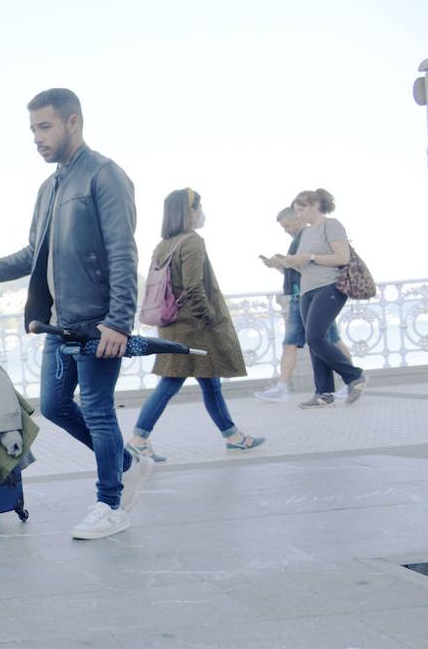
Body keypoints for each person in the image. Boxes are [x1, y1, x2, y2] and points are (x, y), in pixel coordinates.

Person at [0, 88, 151, 541]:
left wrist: (119, 321)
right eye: (33, 130)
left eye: (45, 127)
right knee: (55, 406)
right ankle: (126, 464)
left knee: (99, 412)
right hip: (58, 324)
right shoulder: (50, 188)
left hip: (99, 322)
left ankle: (110, 503)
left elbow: (123, 252)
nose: (37, 138)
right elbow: (32, 254)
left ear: (73, 122)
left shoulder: (105, 175)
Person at [127, 189, 264, 462]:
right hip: (194, 327)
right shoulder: (192, 241)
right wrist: (209, 316)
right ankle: (138, 439)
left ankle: (233, 436)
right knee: (171, 382)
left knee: (209, 382)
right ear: (188, 211)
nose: (201, 212)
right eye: (198, 207)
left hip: (172, 323)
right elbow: (193, 287)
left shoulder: (164, 244)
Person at [275, 189, 368, 408]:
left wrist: (311, 256)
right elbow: (305, 263)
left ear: (315, 205)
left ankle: (354, 376)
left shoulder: (331, 225)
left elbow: (342, 257)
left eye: (301, 209)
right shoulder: (305, 234)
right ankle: (324, 394)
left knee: (316, 337)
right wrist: (291, 262)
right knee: (314, 340)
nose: (297, 215)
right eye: (296, 210)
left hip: (329, 287)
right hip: (307, 290)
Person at [254, 206, 351, 402]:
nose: (286, 230)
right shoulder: (299, 241)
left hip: (312, 297)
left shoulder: (309, 240)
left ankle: (351, 379)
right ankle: (284, 387)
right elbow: (299, 270)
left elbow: (311, 269)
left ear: (298, 218)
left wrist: (284, 263)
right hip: (301, 297)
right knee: (293, 342)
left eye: (287, 225)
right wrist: (281, 265)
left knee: (327, 340)